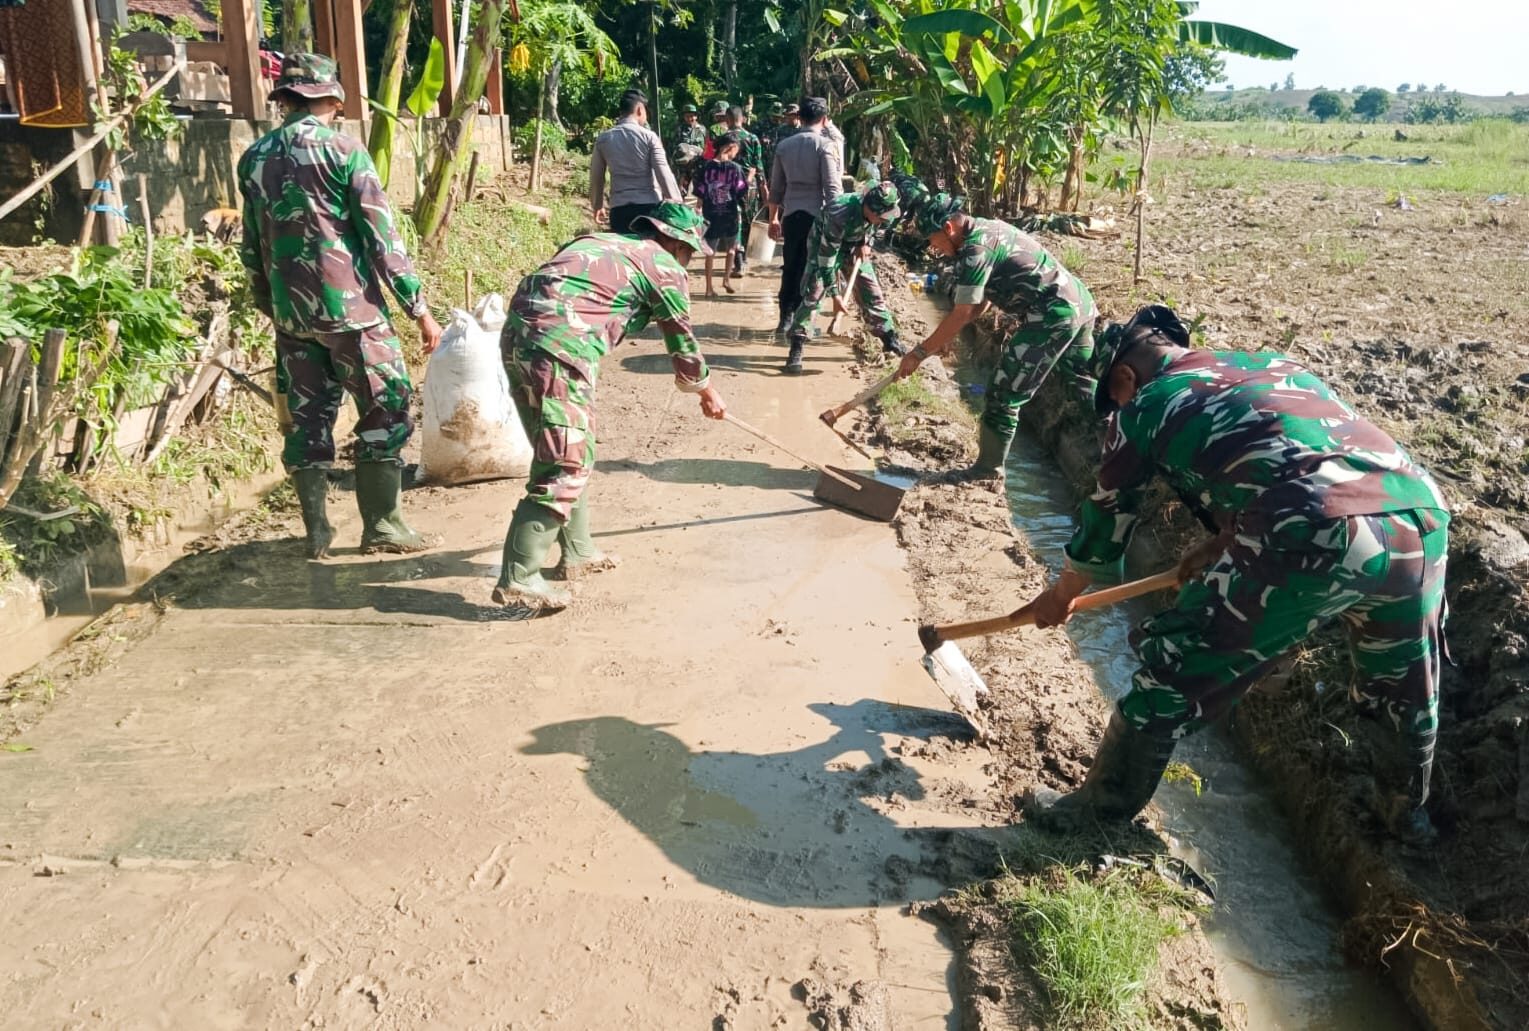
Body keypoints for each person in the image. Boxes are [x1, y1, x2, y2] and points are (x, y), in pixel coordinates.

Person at [1026, 305, 1450, 844]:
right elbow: (1302, 459)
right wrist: (1220, 543)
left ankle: (1096, 814)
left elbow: (1108, 516)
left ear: (1125, 376)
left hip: (1313, 530)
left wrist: (1060, 595)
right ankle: (1407, 820)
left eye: (1116, 397)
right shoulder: (1271, 366)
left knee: (1174, 671)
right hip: (1421, 517)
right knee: (1404, 685)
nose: (1118, 409)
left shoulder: (1147, 405)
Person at [237, 53, 442, 559]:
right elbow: (382, 239)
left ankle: (317, 533)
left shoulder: (254, 157)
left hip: (292, 317)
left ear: (284, 98)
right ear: (332, 98)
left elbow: (250, 248)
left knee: (306, 421)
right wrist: (419, 309)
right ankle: (383, 527)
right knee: (385, 406)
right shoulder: (346, 152)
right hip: (353, 315)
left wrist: (277, 310)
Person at [496, 203, 729, 613]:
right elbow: (682, 340)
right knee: (566, 460)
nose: (689, 260)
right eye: (690, 251)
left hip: (518, 338)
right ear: (675, 241)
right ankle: (520, 577)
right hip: (560, 347)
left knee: (566, 447)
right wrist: (706, 390)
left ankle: (578, 552)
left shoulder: (602, 241)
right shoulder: (664, 266)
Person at [896, 192, 1098, 480]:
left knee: (1004, 394)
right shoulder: (987, 229)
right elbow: (979, 305)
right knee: (1080, 382)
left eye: (933, 240)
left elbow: (963, 312)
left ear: (948, 229)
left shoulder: (975, 250)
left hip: (1052, 315)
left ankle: (987, 471)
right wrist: (944, 339)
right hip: (1080, 303)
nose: (933, 248)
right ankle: (1113, 442)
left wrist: (919, 353)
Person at [781, 182, 906, 372]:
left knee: (871, 290)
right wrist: (835, 295)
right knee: (814, 293)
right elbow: (827, 259)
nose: (883, 220)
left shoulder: (881, 206)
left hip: (854, 245)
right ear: (869, 209)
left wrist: (866, 243)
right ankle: (797, 346)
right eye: (879, 217)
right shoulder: (839, 213)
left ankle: (889, 339)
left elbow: (877, 228)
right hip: (824, 247)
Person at [767, 97, 842, 334]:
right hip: (816, 216)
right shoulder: (825, 145)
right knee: (810, 270)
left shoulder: (785, 146)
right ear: (824, 119)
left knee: (790, 265)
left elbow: (776, 188)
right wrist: (838, 222)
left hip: (791, 215)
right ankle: (801, 321)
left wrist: (773, 219)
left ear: (800, 118)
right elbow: (832, 188)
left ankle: (784, 318)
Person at [590, 88, 682, 234]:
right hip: (649, 209)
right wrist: (677, 202)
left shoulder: (603, 139)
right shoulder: (649, 137)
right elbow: (663, 172)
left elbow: (596, 176)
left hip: (619, 210)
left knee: (623, 255)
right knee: (649, 253)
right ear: (639, 109)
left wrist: (597, 205)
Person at [697, 133, 748, 297]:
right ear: (730, 147)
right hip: (730, 213)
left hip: (710, 213)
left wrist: (698, 208)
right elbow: (741, 190)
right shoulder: (736, 169)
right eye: (736, 150)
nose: (736, 154)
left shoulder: (706, 167)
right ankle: (726, 279)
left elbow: (700, 191)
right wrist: (752, 176)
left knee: (709, 251)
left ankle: (708, 288)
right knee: (731, 248)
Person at [726, 106, 767, 275]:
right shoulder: (753, 138)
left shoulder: (724, 139)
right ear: (742, 119)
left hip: (729, 186)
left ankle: (739, 261)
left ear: (728, 120)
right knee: (748, 222)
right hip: (750, 187)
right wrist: (764, 189)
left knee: (734, 222)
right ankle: (744, 258)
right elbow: (759, 166)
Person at [670, 103, 707, 197]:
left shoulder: (702, 130)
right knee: (680, 191)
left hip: (698, 164)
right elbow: (673, 147)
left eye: (692, 116)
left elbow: (707, 146)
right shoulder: (679, 130)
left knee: (701, 191)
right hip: (684, 166)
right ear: (684, 117)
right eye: (687, 116)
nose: (690, 118)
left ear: (696, 116)